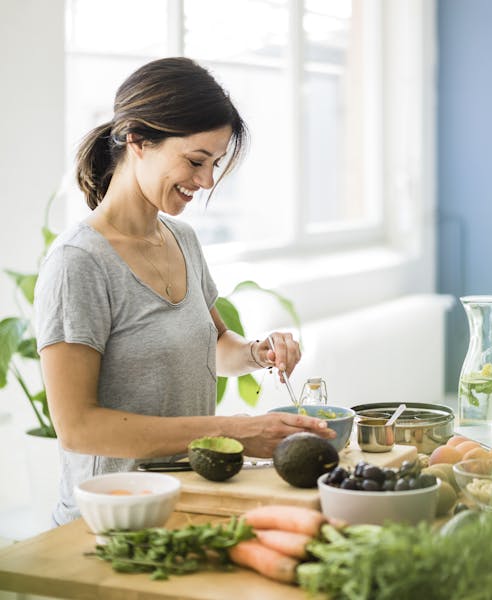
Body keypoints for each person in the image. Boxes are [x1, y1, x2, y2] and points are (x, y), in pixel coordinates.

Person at [34, 57, 335, 526]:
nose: (207, 181)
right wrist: (235, 430)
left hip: (186, 502)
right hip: (110, 521)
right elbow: (78, 428)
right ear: (137, 139)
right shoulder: (79, 262)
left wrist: (258, 352)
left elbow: (215, 348)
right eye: (196, 161)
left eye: (214, 164)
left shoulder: (183, 240)